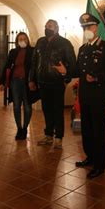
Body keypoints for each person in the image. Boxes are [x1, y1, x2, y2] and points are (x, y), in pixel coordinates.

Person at [62, 13, 105, 179]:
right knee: (86, 129)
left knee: (98, 131)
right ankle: (91, 157)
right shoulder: (83, 49)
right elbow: (78, 71)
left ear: (96, 27)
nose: (86, 30)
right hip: (84, 95)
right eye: (84, 27)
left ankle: (100, 165)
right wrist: (66, 71)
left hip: (98, 96)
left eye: (89, 26)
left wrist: (97, 77)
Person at [29, 19, 76, 149]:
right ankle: (48, 135)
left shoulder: (65, 43)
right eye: (45, 26)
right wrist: (31, 79)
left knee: (57, 111)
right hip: (42, 82)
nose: (46, 28)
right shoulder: (40, 42)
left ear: (56, 28)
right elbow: (34, 62)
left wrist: (65, 79)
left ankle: (59, 138)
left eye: (49, 26)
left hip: (57, 83)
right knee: (47, 109)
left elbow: (72, 64)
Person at [0, 32, 37, 140]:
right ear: (17, 41)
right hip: (15, 82)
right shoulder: (13, 52)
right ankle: (19, 129)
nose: (22, 40)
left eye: (24, 38)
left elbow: (35, 68)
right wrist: (2, 82)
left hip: (27, 82)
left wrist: (34, 81)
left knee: (27, 107)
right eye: (20, 39)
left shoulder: (32, 51)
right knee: (16, 106)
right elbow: (7, 66)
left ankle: (25, 128)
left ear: (27, 40)